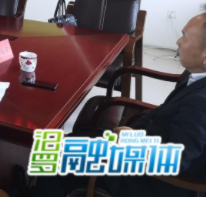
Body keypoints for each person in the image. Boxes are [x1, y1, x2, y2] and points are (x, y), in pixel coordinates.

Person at [34, 14, 206, 197]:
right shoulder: (198, 77)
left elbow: (178, 160)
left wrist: (131, 141)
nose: (178, 41)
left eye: (185, 37)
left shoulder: (200, 101)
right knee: (71, 139)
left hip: (144, 178)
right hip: (142, 139)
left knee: (53, 153)